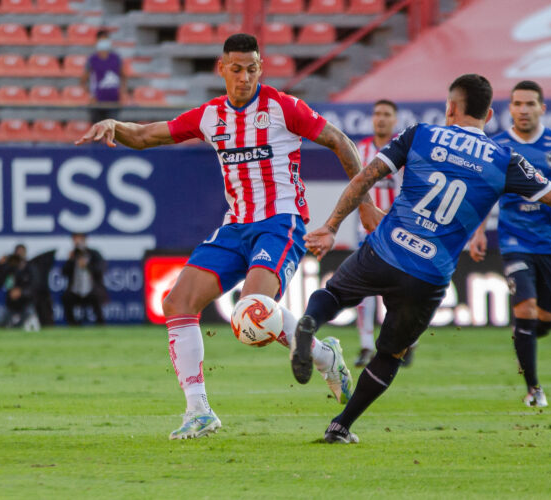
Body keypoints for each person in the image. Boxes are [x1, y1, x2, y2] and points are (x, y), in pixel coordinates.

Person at [289, 73, 551, 444]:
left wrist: (330, 226)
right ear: (489, 115)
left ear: (451, 107)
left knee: (335, 294)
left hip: (386, 248)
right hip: (429, 274)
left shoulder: (420, 133)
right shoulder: (504, 159)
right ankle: (341, 425)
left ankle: (309, 323)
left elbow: (364, 178)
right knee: (391, 354)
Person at [75, 33, 383, 440]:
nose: (244, 77)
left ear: (261, 68)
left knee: (251, 309)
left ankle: (324, 357)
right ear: (221, 69)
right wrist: (115, 124)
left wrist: (363, 205)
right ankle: (199, 411)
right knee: (176, 302)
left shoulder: (281, 107)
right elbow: (148, 136)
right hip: (235, 226)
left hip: (281, 222)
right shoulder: (210, 117)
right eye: (236, 69)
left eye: (252, 68)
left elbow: (339, 141)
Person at [469, 80, 551, 408]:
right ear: (510, 108)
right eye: (517, 104)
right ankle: (534, 389)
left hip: (549, 243)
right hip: (513, 239)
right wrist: (478, 232)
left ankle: (524, 338)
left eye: (529, 104)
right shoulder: (497, 146)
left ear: (542, 108)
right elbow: (484, 192)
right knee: (526, 309)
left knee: (545, 321)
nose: (522, 110)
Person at [352, 99, 408, 368]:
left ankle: (404, 342)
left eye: (386, 114)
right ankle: (365, 345)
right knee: (366, 289)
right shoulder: (360, 149)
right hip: (366, 230)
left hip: (397, 229)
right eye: (377, 114)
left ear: (395, 120)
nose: (381, 119)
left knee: (400, 288)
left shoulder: (403, 149)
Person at [62, 233, 107, 326]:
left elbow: (100, 270)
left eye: (80, 240)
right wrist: (70, 260)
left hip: (92, 290)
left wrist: (87, 265)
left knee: (96, 298)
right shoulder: (73, 255)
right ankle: (73, 325)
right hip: (76, 290)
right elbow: (64, 272)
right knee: (66, 298)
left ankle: (101, 325)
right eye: (75, 240)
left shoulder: (94, 254)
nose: (78, 243)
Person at [82, 31, 126, 124]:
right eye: (101, 40)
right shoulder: (92, 59)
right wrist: (91, 96)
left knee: (113, 132)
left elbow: (123, 76)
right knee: (97, 132)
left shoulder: (116, 58)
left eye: (105, 40)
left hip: (113, 102)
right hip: (97, 102)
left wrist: (122, 93)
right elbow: (83, 80)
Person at [0, 244, 40, 331]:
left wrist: (21, 292)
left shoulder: (30, 269)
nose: (19, 255)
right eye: (17, 253)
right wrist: (0, 266)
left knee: (24, 324)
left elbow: (35, 287)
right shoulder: (10, 269)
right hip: (11, 306)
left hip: (26, 304)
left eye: (21, 253)